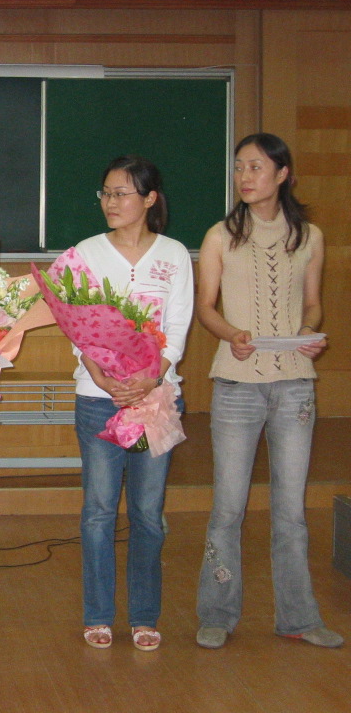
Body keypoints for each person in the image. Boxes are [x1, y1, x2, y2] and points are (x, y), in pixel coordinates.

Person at [195, 133, 342, 649]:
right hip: (236, 386)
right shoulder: (220, 236)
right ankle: (217, 614)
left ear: (283, 174)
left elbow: (314, 304)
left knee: (291, 511)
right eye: (239, 167)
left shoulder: (310, 236)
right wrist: (231, 334)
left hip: (295, 386)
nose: (245, 176)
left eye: (256, 167)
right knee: (228, 508)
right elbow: (206, 307)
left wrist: (308, 332)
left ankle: (298, 618)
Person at [73, 156, 193, 651]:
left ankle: (144, 615)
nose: (111, 202)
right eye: (105, 193)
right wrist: (103, 377)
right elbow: (78, 327)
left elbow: (177, 327)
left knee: (147, 511)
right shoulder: (85, 252)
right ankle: (98, 615)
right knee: (100, 510)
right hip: (98, 399)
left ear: (149, 199)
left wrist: (150, 378)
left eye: (121, 193)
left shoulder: (174, 254)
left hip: (155, 399)